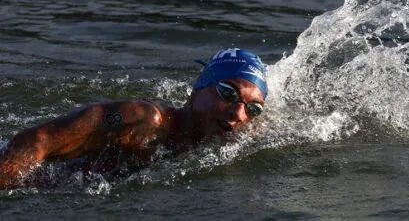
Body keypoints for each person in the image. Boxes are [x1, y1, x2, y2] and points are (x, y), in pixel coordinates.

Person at [0, 48, 268, 189]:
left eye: (253, 108)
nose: (238, 114)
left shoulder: (234, 137)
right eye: (228, 93)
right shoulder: (145, 120)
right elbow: (40, 140)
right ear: (199, 89)